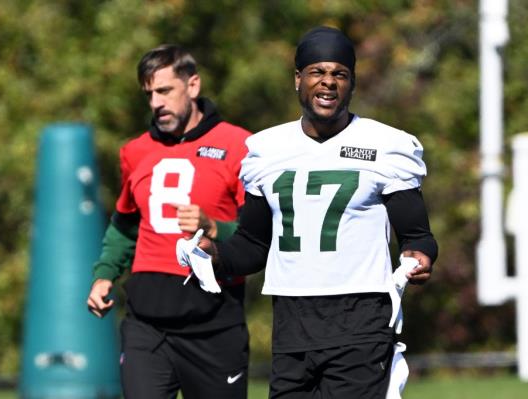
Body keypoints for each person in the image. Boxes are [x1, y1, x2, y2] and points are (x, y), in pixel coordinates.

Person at [194, 26, 438, 398]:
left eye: (339, 74)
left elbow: (417, 235)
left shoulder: (386, 146)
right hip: (292, 319)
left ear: (352, 83)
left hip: (361, 315)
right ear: (298, 79)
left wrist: (418, 257)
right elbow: (252, 245)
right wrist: (214, 255)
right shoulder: (266, 149)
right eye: (317, 72)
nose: (328, 83)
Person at [86, 44, 251, 399]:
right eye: (149, 94)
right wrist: (104, 274)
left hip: (213, 324)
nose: (155, 103)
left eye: (164, 91)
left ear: (192, 85)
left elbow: (258, 235)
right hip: (147, 325)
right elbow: (125, 224)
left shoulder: (239, 145)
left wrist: (213, 227)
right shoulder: (135, 151)